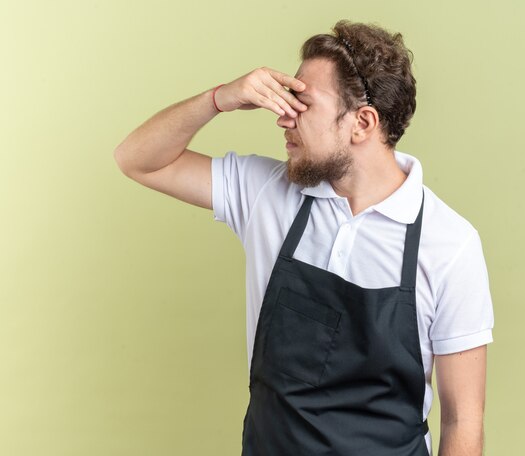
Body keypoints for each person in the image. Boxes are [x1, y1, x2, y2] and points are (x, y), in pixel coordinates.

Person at [114, 19, 494, 456]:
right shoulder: (265, 194)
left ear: (363, 122)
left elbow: (464, 419)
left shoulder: (449, 245)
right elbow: (138, 160)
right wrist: (220, 98)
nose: (282, 117)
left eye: (301, 104)